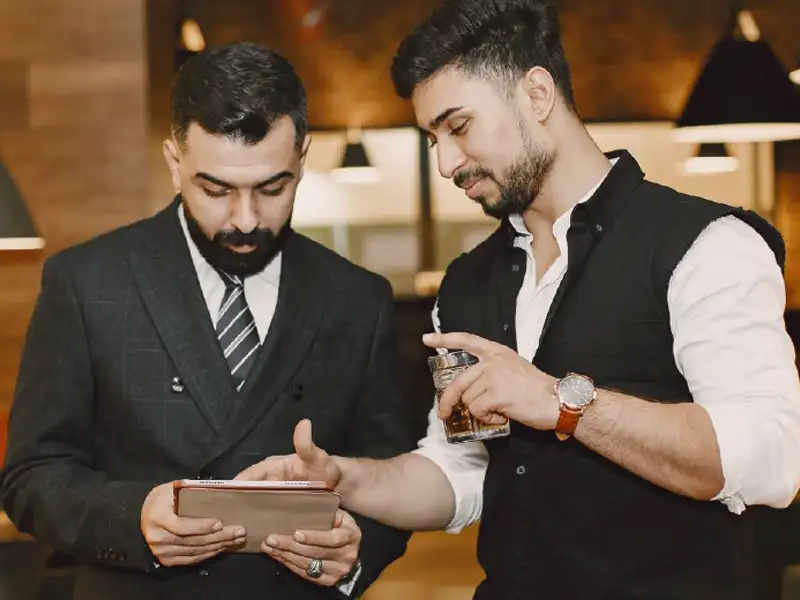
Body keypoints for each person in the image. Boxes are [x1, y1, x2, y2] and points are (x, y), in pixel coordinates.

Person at [236, 1, 800, 599]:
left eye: (458, 127)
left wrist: (562, 403)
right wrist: (344, 479)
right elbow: (463, 470)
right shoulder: (464, 286)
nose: (446, 162)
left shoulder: (707, 246)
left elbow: (770, 459)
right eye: (432, 138)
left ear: (536, 94)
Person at [0, 41, 415, 600]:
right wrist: (135, 517)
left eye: (273, 188)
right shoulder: (86, 283)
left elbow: (397, 476)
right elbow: (33, 476)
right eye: (215, 190)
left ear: (302, 157)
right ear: (175, 162)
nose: (245, 220)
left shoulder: (357, 298)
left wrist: (353, 550)